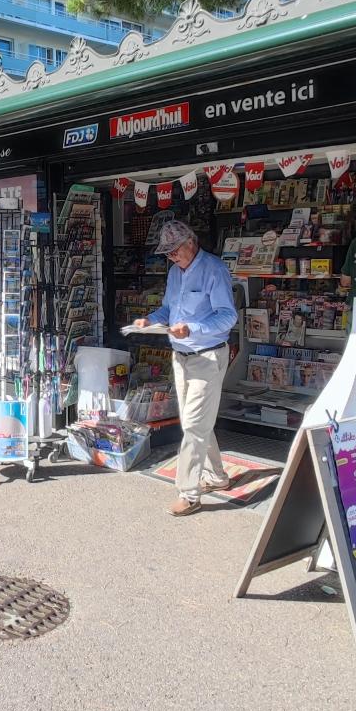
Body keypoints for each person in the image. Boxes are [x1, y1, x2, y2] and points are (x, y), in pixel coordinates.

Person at [130, 218, 239, 517]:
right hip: (181, 357)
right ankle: (216, 476)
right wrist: (151, 319)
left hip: (208, 355)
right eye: (167, 254)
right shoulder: (175, 273)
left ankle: (189, 493)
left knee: (192, 424)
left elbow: (228, 317)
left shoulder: (214, 269)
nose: (171, 257)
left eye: (174, 251)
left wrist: (191, 328)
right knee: (198, 421)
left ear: (190, 242)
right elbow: (168, 308)